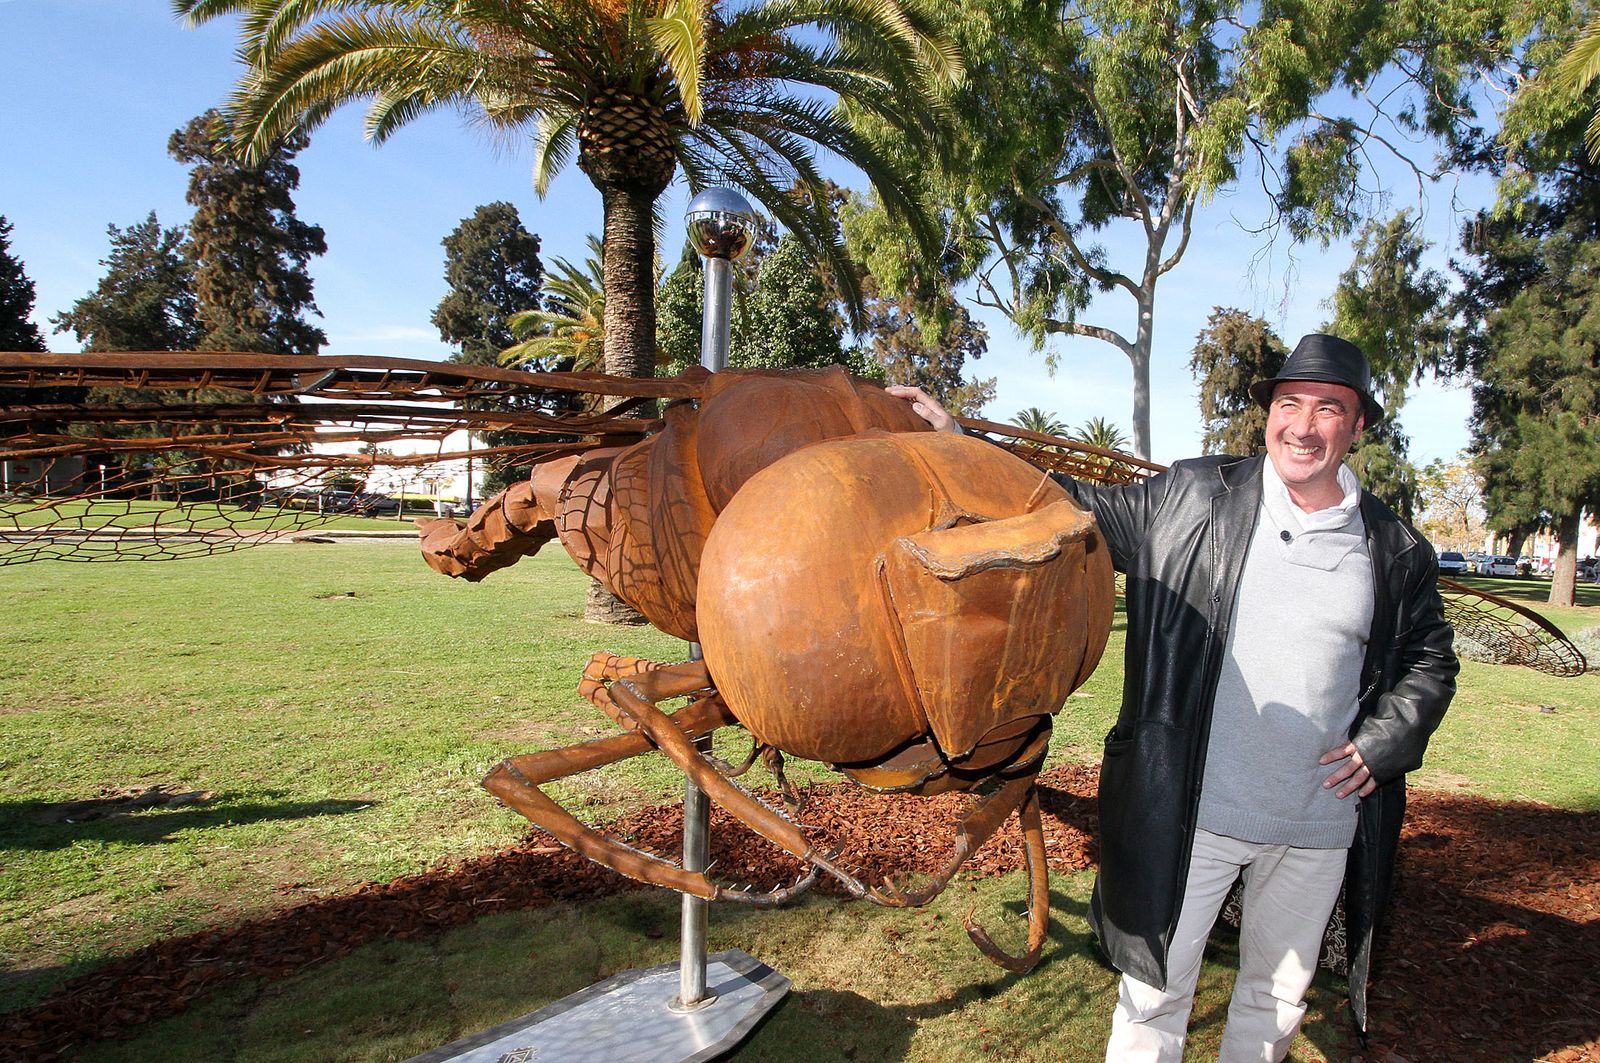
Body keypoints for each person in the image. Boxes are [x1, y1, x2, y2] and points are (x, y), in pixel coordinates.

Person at [888, 334, 1458, 1061]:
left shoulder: (1392, 546)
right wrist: (961, 441)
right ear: (1268, 415)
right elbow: (1072, 504)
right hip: (1193, 809)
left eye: (1327, 409)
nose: (1303, 426)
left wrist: (1383, 744)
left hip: (1317, 822)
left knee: (1277, 1000)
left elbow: (1429, 658)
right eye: (1289, 405)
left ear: (1356, 425)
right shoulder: (1191, 498)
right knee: (1154, 994)